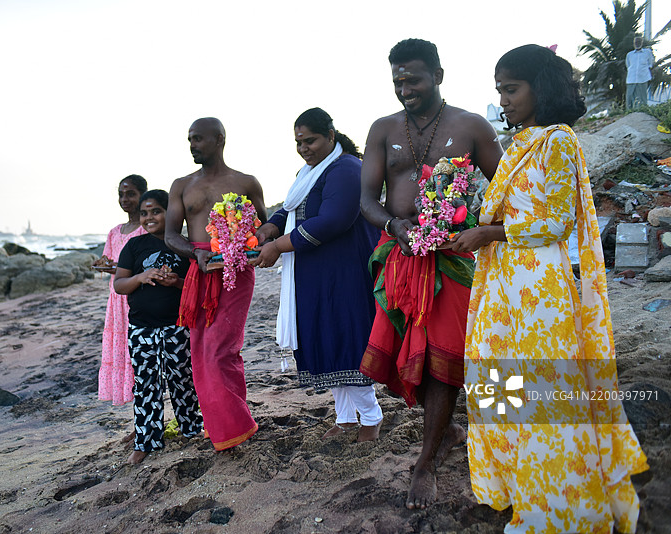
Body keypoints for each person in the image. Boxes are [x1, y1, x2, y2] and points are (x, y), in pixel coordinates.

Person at [451, 44, 648, 533]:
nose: (504, 101)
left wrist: (488, 233)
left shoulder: (558, 141)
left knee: (542, 391)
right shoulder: (521, 143)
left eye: (512, 89)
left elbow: (557, 222)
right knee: (501, 386)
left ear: (543, 87)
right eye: (499, 91)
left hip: (538, 283)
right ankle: (521, 489)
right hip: (503, 282)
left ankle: (559, 507)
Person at [358, 38, 503, 510]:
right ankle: (447, 428)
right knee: (407, 356)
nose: (404, 87)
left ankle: (426, 462)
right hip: (398, 256)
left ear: (438, 74)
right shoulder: (382, 129)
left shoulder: (472, 126)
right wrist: (393, 224)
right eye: (397, 79)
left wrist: (481, 229)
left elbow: (505, 190)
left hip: (451, 259)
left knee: (443, 359)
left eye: (413, 78)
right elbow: (367, 201)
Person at [253, 108, 383, 442]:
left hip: (345, 272)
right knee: (325, 339)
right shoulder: (309, 171)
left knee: (347, 339)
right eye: (299, 142)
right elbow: (293, 206)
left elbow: (332, 220)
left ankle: (371, 417)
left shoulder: (347, 169)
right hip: (314, 274)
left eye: (310, 140)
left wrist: (279, 246)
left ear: (331, 135)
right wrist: (272, 224)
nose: (304, 148)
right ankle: (345, 419)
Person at [165, 117, 267, 452]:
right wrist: (197, 254)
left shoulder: (246, 182)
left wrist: (250, 249)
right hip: (200, 269)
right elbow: (170, 235)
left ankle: (234, 428)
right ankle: (225, 426)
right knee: (200, 350)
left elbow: (263, 228)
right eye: (189, 139)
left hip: (235, 272)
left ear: (219, 139)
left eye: (197, 139)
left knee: (221, 349)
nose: (192, 145)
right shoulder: (181, 185)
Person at [113, 189, 203, 464]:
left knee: (182, 380)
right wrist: (142, 276)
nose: (149, 217)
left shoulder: (182, 245)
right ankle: (146, 440)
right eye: (144, 213)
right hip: (142, 329)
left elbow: (194, 285)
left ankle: (191, 429)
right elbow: (119, 285)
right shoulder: (134, 247)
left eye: (156, 211)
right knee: (146, 385)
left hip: (177, 326)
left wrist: (175, 282)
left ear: (170, 213)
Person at [95, 174, 148, 444]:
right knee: (125, 359)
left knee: (140, 362)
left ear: (143, 195)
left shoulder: (147, 229)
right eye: (121, 194)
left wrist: (116, 268)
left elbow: (140, 266)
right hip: (116, 304)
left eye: (131, 194)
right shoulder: (115, 232)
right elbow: (111, 263)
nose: (125, 199)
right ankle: (138, 422)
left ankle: (145, 423)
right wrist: (104, 264)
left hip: (138, 299)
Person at [625, 35, 654, 110]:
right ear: (633, 43)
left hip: (643, 78)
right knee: (629, 97)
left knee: (642, 97)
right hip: (631, 78)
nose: (637, 43)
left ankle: (643, 111)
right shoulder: (629, 54)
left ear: (642, 43)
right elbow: (628, 65)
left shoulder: (647, 53)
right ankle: (629, 112)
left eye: (639, 42)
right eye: (636, 42)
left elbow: (650, 64)